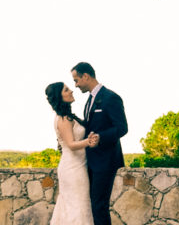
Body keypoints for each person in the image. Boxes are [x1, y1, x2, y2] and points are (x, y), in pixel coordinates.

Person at [72, 62, 128, 225]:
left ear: (86, 76)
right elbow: (90, 126)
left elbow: (122, 128)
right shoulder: (90, 100)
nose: (75, 85)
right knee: (94, 206)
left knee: (99, 206)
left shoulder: (111, 98)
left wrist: (100, 137)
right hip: (90, 161)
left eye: (76, 80)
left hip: (105, 161)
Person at [45, 82, 99, 225]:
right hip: (73, 169)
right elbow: (70, 144)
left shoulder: (68, 117)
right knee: (78, 207)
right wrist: (88, 141)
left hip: (78, 165)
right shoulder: (63, 119)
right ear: (60, 96)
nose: (71, 91)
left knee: (77, 206)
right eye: (67, 90)